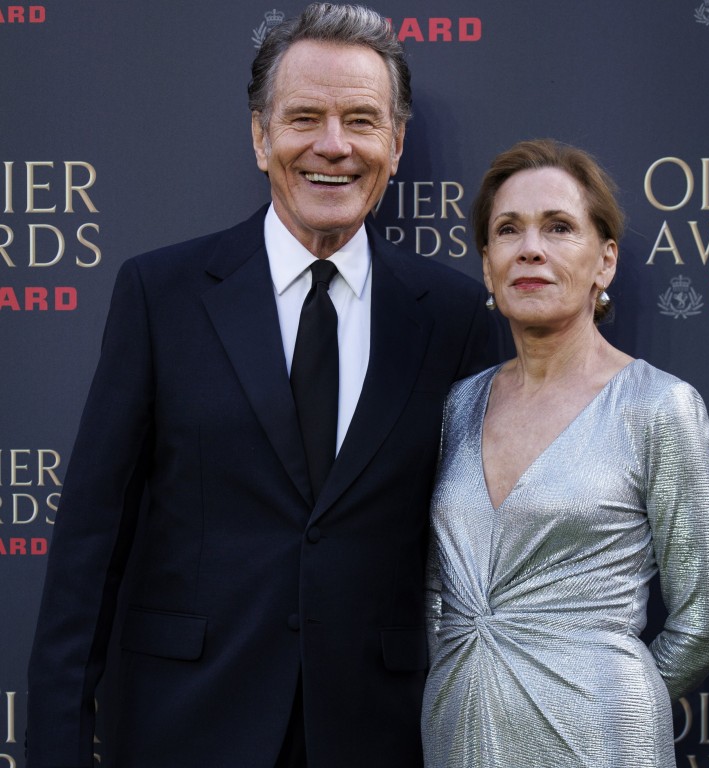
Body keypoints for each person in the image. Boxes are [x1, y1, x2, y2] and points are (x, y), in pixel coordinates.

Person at [26, 5, 506, 767]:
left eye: (361, 120)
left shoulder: (454, 318)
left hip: (380, 734)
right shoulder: (162, 295)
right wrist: (53, 746)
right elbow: (91, 540)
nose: (333, 146)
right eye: (304, 117)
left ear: (397, 142)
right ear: (260, 136)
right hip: (185, 727)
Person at [421, 139, 709, 767]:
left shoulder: (656, 406)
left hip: (601, 745)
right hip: (456, 738)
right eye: (508, 230)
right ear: (487, 265)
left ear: (605, 261)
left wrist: (609, 701)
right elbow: (438, 593)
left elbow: (708, 618)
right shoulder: (459, 405)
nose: (530, 248)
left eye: (559, 227)